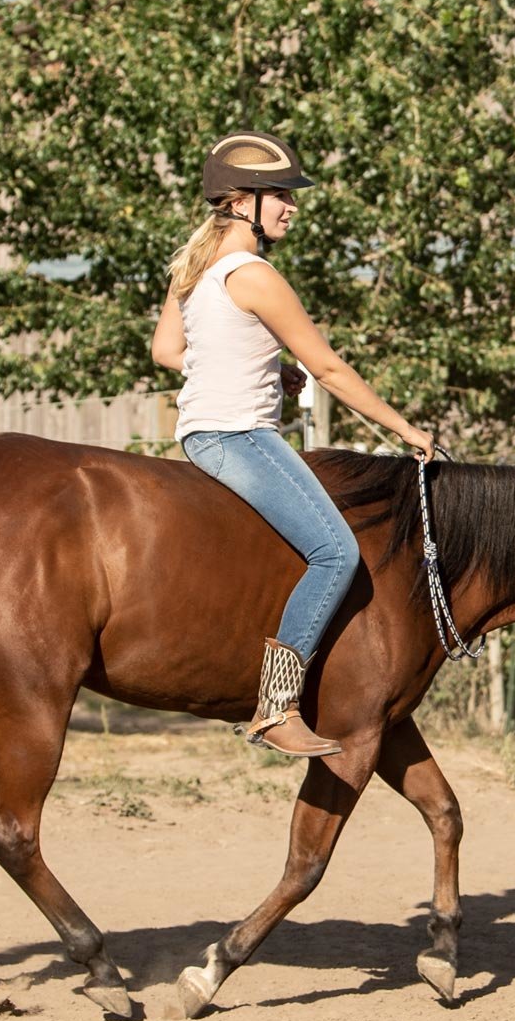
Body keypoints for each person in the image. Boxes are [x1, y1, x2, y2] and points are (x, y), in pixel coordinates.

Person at [152, 130, 435, 758]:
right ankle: (277, 706)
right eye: (280, 194)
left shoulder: (193, 271)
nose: (291, 207)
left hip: (201, 434)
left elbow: (168, 352)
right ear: (239, 201)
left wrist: (260, 368)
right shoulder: (253, 274)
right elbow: (330, 370)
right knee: (337, 554)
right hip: (240, 436)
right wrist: (408, 431)